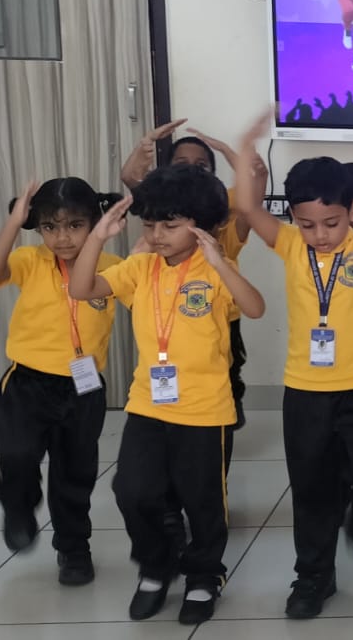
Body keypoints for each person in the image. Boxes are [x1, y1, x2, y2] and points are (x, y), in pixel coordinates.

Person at [233, 109, 353, 619]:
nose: (319, 234)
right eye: (307, 224)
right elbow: (248, 207)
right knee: (312, 488)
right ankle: (313, 577)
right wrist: (248, 147)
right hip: (306, 391)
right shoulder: (290, 245)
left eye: (331, 223)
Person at [68, 164, 266, 625]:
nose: (157, 235)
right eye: (150, 225)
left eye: (170, 226)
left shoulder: (215, 270)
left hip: (205, 410)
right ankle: (156, 566)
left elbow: (255, 308)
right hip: (148, 405)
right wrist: (97, 237)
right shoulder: (140, 268)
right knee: (131, 490)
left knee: (203, 501)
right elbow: (81, 288)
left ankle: (203, 575)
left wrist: (220, 262)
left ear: (201, 226)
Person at [0, 178, 122, 587]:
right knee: (16, 452)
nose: (62, 238)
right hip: (27, 382)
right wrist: (14, 222)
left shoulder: (113, 267)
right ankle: (18, 504)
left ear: (94, 222)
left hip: (83, 388)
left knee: (75, 472)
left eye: (75, 225)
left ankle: (74, 549)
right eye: (50, 227)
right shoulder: (30, 259)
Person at [119, 119, 261, 430]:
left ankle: (219, 426)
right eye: (182, 163)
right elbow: (131, 178)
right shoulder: (160, 213)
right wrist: (144, 145)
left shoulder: (221, 210)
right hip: (167, 306)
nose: (193, 169)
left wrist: (224, 148)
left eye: (202, 165)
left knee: (223, 370)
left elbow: (253, 187)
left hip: (217, 307)